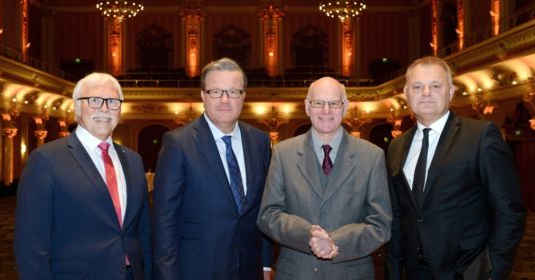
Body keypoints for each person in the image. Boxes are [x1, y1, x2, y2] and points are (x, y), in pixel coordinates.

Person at [386, 56, 526, 279]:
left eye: (435, 86)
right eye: (417, 86)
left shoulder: (481, 136)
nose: (426, 93)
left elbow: (510, 211)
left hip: (467, 271)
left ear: (450, 91)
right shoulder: (396, 146)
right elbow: (397, 216)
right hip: (413, 271)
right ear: (406, 92)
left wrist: (492, 271)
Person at [14, 72, 152, 280]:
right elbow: (31, 244)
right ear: (77, 107)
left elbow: (143, 232)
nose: (104, 109)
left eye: (113, 101)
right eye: (94, 101)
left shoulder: (133, 160)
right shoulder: (46, 159)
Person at [258, 76, 392, 279]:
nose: (326, 111)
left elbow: (380, 225)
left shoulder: (372, 156)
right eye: (319, 103)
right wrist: (309, 235)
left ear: (345, 106)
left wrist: (335, 241)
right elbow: (268, 215)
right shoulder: (283, 153)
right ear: (307, 106)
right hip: (296, 274)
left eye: (334, 103)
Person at [153, 57, 272, 279]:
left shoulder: (260, 142)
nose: (225, 100)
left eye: (233, 92)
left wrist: (265, 265)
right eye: (215, 92)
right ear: (203, 95)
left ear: (243, 96)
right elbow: (165, 221)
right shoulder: (178, 143)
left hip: (249, 269)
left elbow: (261, 211)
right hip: (198, 269)